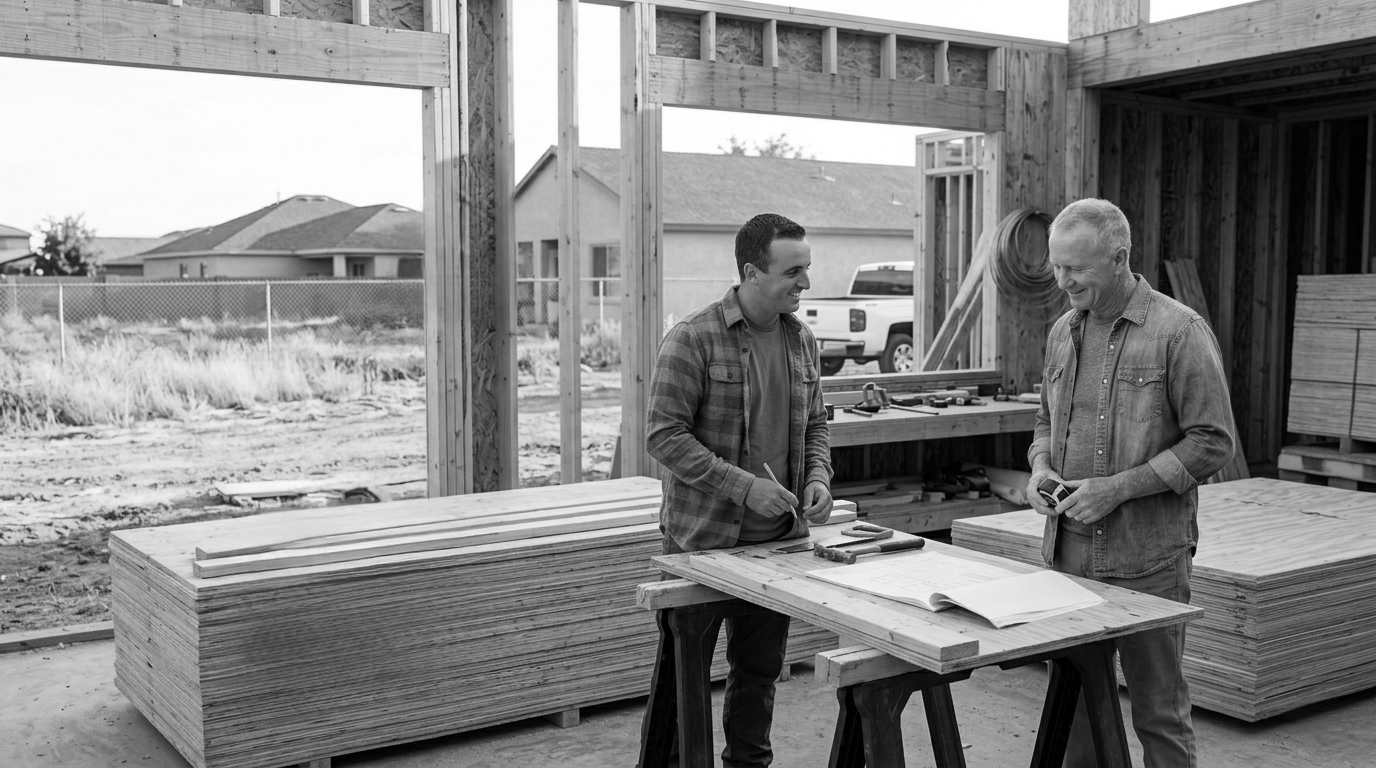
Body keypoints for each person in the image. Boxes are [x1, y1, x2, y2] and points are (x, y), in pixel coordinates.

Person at [1024, 198, 1235, 768]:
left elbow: (1213, 443)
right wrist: (1040, 467)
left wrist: (1117, 488)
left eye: (1076, 269)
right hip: (1068, 560)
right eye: (1056, 266)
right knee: (1077, 719)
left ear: (1119, 259)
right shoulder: (1062, 334)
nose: (1062, 281)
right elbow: (1045, 421)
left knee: (1158, 717)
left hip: (1148, 564)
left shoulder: (1178, 331)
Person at [646, 212, 834, 767]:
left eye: (807, 269)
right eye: (793, 271)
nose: (805, 283)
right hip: (702, 544)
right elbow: (663, 435)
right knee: (682, 682)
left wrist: (818, 476)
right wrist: (743, 487)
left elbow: (817, 424)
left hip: (775, 546)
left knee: (758, 678)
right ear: (752, 272)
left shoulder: (802, 341)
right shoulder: (693, 339)